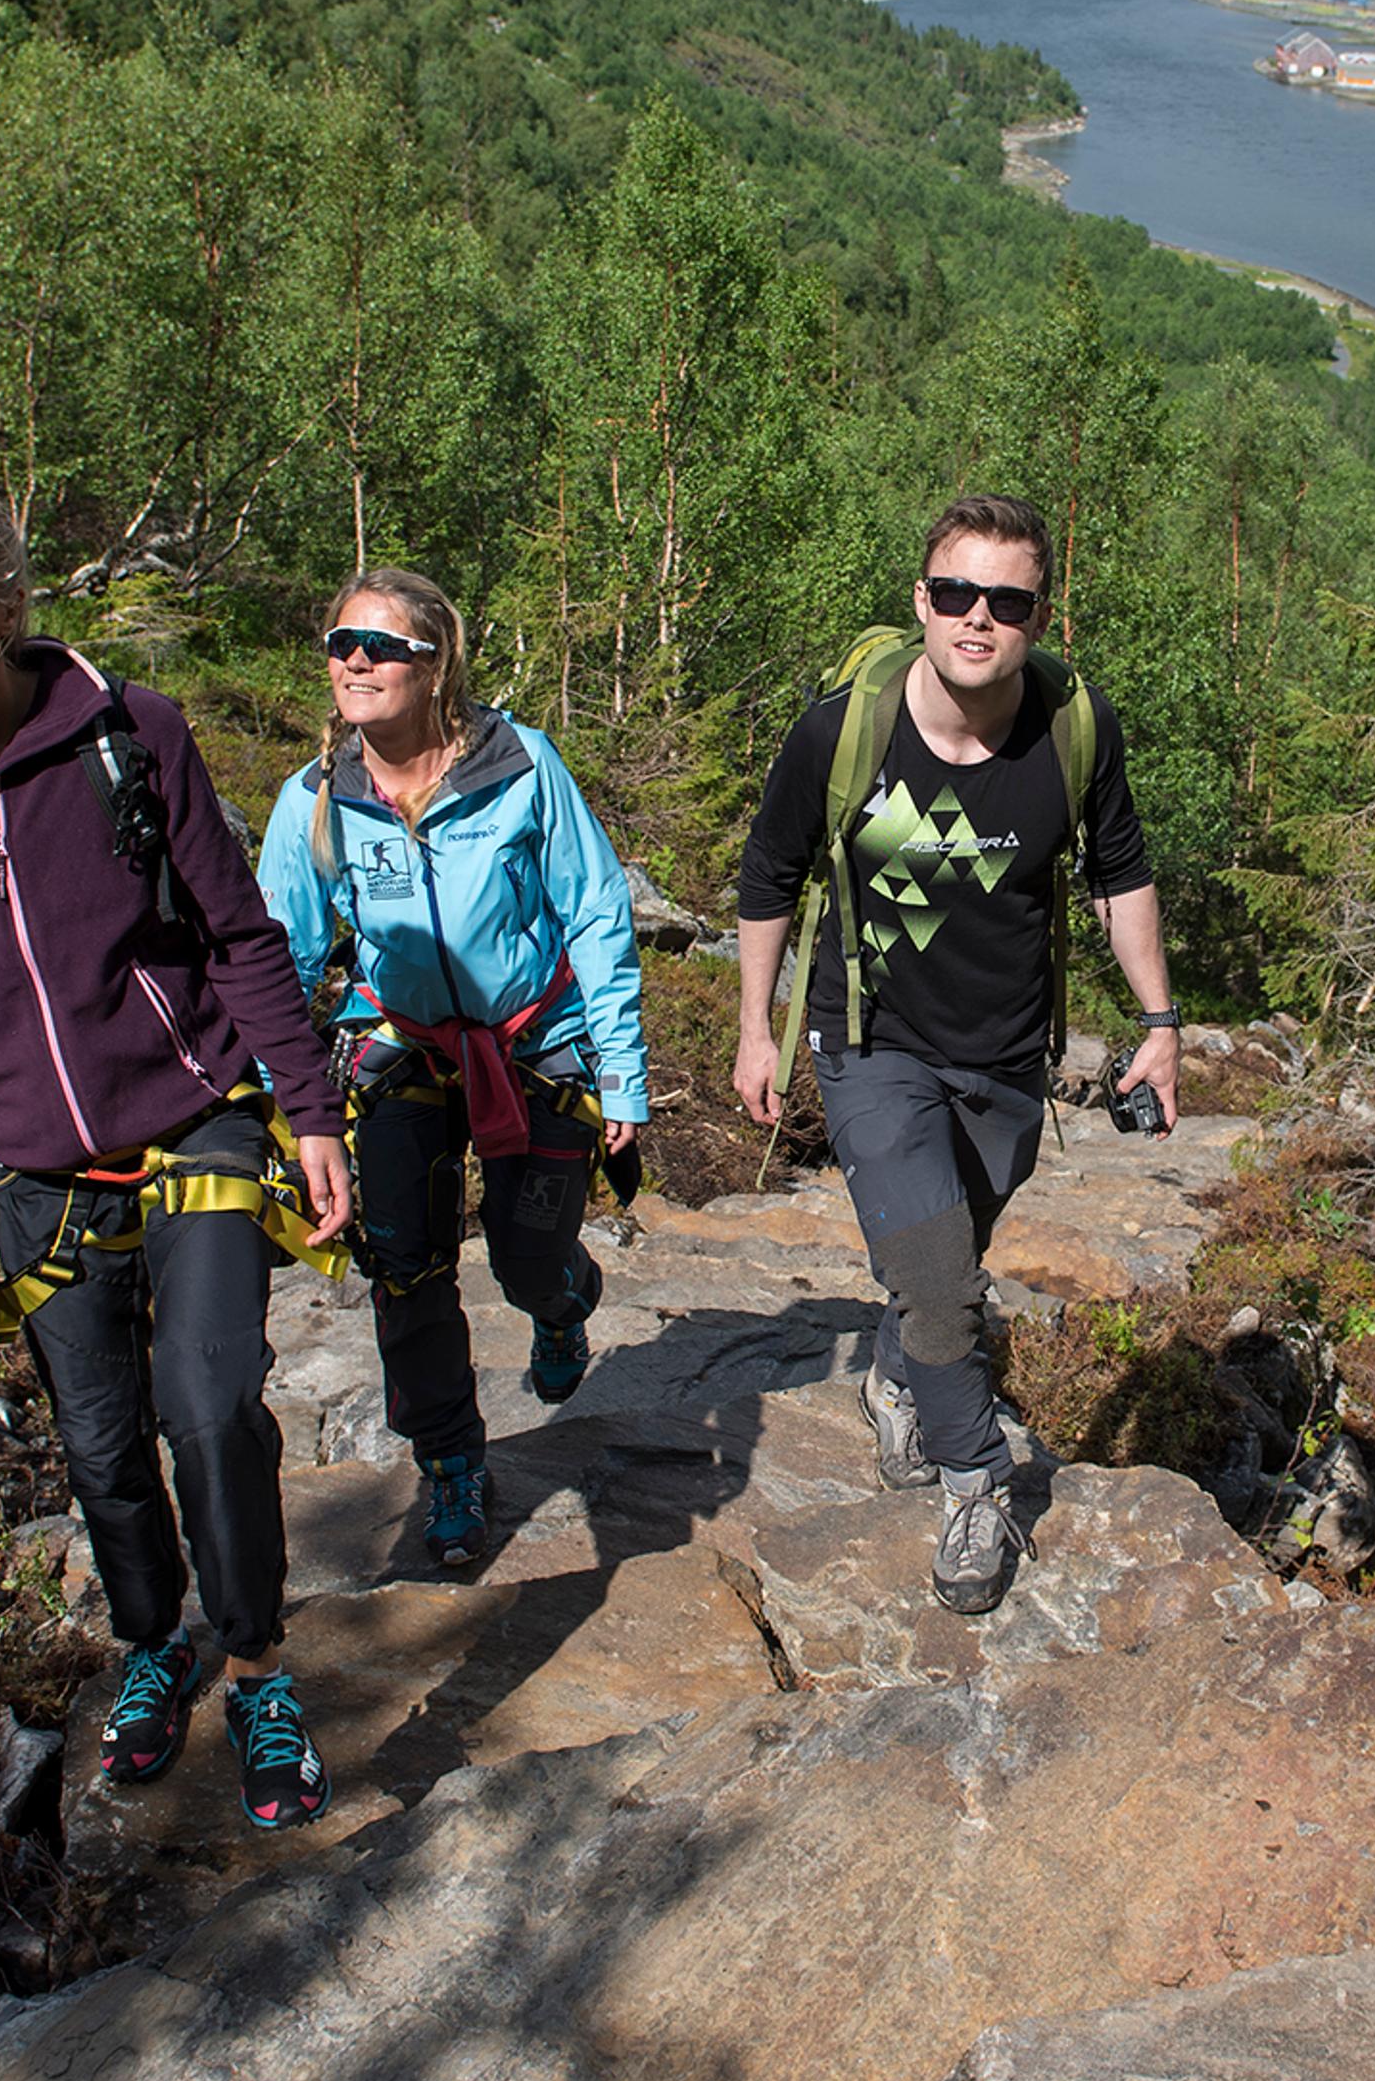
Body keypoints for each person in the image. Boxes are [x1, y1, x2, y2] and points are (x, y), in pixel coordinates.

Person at [0, 475, 357, 1832]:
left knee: (208, 1406)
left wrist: (315, 1108)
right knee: (99, 1446)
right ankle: (155, 1644)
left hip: (198, 1120)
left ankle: (261, 1669)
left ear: (8, 606)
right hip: (32, 1170)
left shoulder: (129, 735)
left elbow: (236, 935)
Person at [730, 492, 1182, 1615]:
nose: (978, 618)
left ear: (1039, 610)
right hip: (871, 1041)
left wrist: (1162, 1026)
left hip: (1005, 1057)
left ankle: (896, 1378)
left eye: (1008, 598)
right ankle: (977, 1484)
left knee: (942, 1268)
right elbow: (766, 877)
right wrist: (754, 1026)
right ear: (920, 601)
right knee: (942, 1281)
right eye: (955, 593)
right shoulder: (844, 731)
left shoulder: (1074, 727)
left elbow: (1120, 875)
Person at [256, 568, 649, 1567]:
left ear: (436, 666)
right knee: (406, 1271)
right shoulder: (315, 799)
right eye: (341, 641)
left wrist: (625, 1071)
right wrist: (274, 1100)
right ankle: (453, 1467)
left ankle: (563, 1300)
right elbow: (275, 957)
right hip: (401, 1041)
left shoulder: (519, 766)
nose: (354, 660)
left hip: (535, 1038)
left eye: (380, 645)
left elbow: (597, 911)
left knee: (526, 1253)